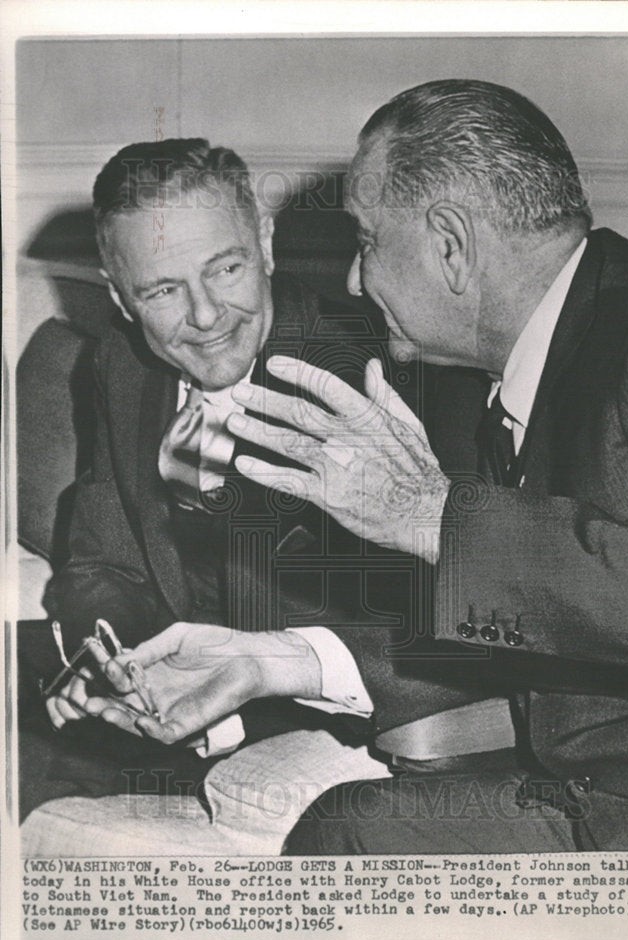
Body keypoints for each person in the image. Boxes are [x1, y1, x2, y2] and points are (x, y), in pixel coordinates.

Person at [87, 80, 628, 855]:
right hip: (585, 790)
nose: (354, 281)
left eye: (365, 243)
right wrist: (274, 659)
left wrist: (428, 513)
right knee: (345, 835)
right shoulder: (523, 362)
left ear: (449, 246)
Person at [23, 137, 509, 836]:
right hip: (164, 709)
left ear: (267, 245)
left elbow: (445, 630)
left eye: (225, 268)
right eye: (162, 290)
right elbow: (103, 559)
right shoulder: (121, 364)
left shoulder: (383, 370)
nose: (205, 316)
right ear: (120, 297)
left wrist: (227, 701)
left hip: (312, 717)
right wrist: (123, 666)